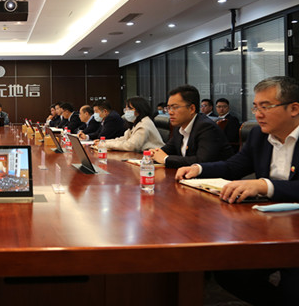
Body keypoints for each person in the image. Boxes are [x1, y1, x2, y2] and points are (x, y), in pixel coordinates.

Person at [175, 76, 299, 305]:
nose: (258, 114)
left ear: (293, 109)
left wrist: (264, 185)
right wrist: (198, 168)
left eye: (266, 107)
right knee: (230, 272)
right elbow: (234, 166)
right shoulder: (259, 136)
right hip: (270, 227)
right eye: (256, 107)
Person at [152, 85, 234, 168]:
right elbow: (166, 151)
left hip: (217, 175)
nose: (170, 112)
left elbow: (201, 161)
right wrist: (153, 154)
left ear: (192, 109)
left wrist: (166, 159)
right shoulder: (179, 127)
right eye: (168, 108)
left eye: (175, 107)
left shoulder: (206, 127)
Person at [99, 97, 164, 152]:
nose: (127, 111)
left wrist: (106, 144)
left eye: (129, 109)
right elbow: (124, 138)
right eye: (126, 109)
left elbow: (131, 146)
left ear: (139, 109)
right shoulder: (136, 123)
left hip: (153, 157)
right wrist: (103, 142)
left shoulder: (144, 124)